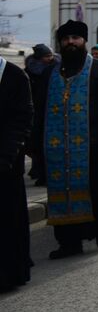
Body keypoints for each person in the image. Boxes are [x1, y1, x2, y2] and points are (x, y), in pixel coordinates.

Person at [30, 20, 98, 257]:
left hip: (92, 144)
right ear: (60, 43)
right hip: (57, 147)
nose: (71, 42)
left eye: (75, 38)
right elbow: (38, 108)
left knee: (95, 189)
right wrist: (35, 143)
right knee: (60, 193)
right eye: (66, 39)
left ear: (84, 41)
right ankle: (67, 242)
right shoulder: (51, 73)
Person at [1, 49, 34, 290]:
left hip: (6, 163)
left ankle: (9, 275)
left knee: (7, 220)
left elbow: (22, 118)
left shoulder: (14, 76)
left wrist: (6, 154)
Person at [23, 44, 56, 186]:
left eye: (50, 55)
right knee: (37, 143)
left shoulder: (57, 68)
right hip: (36, 110)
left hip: (51, 109)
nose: (49, 59)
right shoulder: (30, 71)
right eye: (46, 56)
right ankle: (39, 171)